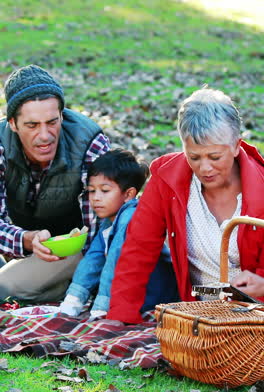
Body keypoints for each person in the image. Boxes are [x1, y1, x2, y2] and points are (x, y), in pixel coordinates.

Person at [106, 87, 264, 324]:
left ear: (235, 146)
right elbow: (139, 248)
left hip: (252, 313)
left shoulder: (259, 186)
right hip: (197, 307)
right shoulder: (168, 178)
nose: (205, 169)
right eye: (194, 157)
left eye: (214, 157)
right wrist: (119, 316)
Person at [0, 64, 110, 303]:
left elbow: (100, 231)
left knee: (2, 287)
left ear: (62, 114)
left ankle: (61, 286)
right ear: (12, 124)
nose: (45, 135)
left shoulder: (88, 142)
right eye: (32, 125)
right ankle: (46, 288)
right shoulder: (1, 145)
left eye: (52, 121)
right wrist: (27, 239)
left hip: (75, 248)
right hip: (23, 242)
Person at [60, 148, 179, 319]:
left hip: (155, 294)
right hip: (131, 292)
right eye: (92, 190)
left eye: (105, 190)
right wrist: (72, 301)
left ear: (129, 194)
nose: (96, 197)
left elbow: (116, 261)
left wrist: (102, 309)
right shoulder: (109, 220)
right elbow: (94, 258)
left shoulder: (131, 217)